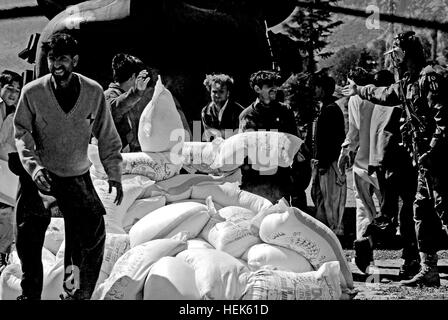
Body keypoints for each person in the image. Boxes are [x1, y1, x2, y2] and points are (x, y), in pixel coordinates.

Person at [14, 32, 123, 299]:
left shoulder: (93, 92)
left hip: (75, 175)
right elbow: (21, 133)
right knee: (28, 238)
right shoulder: (33, 93)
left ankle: (74, 293)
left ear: (74, 60)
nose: (56, 65)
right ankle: (30, 293)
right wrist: (34, 167)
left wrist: (115, 174)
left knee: (89, 236)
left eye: (62, 59)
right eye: (52, 59)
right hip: (40, 175)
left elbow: (107, 135)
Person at [343, 31, 448, 287]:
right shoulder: (406, 82)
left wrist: (431, 150)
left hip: (440, 160)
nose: (394, 58)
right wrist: (359, 90)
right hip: (423, 162)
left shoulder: (428, 77)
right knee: (421, 210)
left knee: (445, 211)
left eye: (397, 51)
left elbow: (443, 120)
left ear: (408, 52)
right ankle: (429, 270)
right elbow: (384, 93)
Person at [365, 69, 420, 279]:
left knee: (387, 211)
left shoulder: (378, 106)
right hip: (398, 162)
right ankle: (410, 259)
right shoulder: (398, 105)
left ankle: (367, 240)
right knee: (408, 210)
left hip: (380, 162)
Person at [239, 70, 300, 204]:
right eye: (269, 86)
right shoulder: (246, 115)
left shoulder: (285, 111)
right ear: (257, 89)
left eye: (275, 85)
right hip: (254, 180)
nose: (274, 88)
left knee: (280, 219)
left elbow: (295, 145)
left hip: (280, 178)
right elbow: (242, 150)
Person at [311, 70, 346, 235]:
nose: (315, 90)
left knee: (330, 200)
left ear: (323, 89)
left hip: (330, 164)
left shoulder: (330, 110)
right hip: (324, 164)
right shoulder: (326, 109)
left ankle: (334, 233)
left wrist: (324, 163)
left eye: (317, 87)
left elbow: (330, 141)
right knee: (321, 199)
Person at [104, 53, 154, 152]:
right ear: (132, 77)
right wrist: (136, 92)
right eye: (139, 78)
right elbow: (115, 109)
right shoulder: (108, 96)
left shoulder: (127, 97)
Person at [281, 72, 313, 211]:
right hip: (285, 163)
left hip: (292, 164)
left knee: (296, 194)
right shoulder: (287, 114)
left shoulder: (286, 114)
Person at [0, 70, 22, 271]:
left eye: (17, 89)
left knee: (7, 216)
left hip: (6, 174)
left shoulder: (18, 115)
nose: (13, 93)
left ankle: (2, 257)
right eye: (9, 88)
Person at [201, 73, 244, 142]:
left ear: (228, 93)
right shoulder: (205, 111)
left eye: (221, 91)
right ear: (210, 92)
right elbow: (209, 136)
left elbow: (240, 137)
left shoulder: (239, 111)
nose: (217, 95)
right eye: (214, 92)